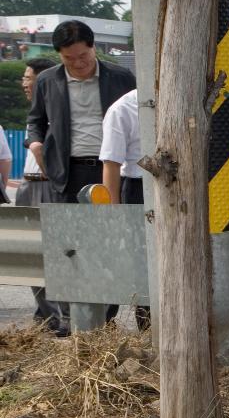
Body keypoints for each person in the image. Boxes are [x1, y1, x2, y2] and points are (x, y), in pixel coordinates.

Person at [26, 20, 136, 204]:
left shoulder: (121, 78)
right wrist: (36, 145)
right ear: (59, 54)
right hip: (67, 172)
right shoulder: (48, 81)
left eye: (83, 55)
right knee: (69, 230)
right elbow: (36, 120)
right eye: (69, 58)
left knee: (113, 228)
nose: (78, 63)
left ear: (93, 47)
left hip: (113, 167)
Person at [12, 58, 62, 334]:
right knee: (31, 255)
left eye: (28, 77)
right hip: (29, 185)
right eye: (24, 77)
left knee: (51, 254)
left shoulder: (57, 109)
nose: (24, 83)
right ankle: (45, 312)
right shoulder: (35, 112)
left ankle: (58, 316)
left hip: (47, 185)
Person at [98, 88, 151, 330]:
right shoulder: (123, 108)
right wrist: (114, 214)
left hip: (176, 187)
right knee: (140, 262)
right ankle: (147, 328)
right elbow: (111, 163)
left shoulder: (182, 96)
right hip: (138, 188)